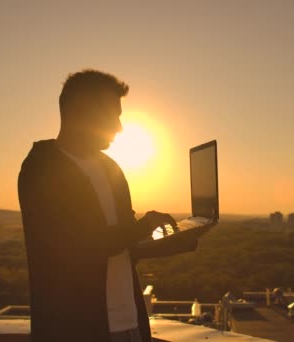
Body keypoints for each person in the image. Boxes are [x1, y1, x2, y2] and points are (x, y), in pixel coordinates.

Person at [18, 69, 203, 342]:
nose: (119, 127)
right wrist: (142, 227)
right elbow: (75, 247)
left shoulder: (109, 168)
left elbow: (125, 247)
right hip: (75, 329)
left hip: (130, 324)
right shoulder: (41, 168)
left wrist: (181, 239)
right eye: (112, 115)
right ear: (79, 112)